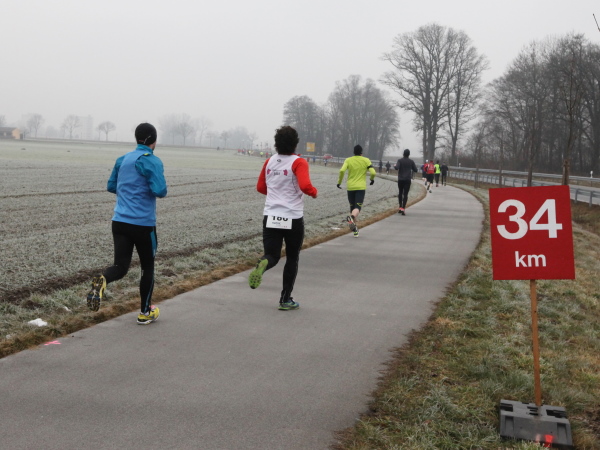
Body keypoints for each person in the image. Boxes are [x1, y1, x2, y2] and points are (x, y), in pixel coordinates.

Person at [86, 123, 167, 325]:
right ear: (153, 140)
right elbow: (160, 190)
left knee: (120, 266)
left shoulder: (122, 159)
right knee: (147, 268)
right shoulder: (151, 161)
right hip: (143, 224)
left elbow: (111, 186)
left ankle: (103, 279)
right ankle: (145, 312)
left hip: (119, 221)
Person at [248, 126, 318, 311]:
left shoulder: (269, 161)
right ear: (295, 143)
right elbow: (305, 185)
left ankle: (264, 263)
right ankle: (285, 299)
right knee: (292, 258)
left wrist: (276, 194)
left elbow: (260, 187)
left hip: (271, 216)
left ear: (276, 143)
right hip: (292, 217)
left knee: (272, 255)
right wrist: (314, 192)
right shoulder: (299, 162)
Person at [336, 145, 377, 238]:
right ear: (361, 152)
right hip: (360, 187)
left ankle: (355, 230)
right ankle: (351, 218)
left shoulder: (348, 160)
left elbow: (342, 171)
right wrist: (371, 179)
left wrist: (339, 182)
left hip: (350, 187)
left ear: (353, 152)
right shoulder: (366, 160)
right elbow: (373, 172)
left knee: (352, 208)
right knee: (357, 207)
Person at [394, 149, 418, 215]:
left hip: (401, 179)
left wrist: (394, 166)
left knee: (400, 193)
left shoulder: (400, 160)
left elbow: (396, 168)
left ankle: (400, 207)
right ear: (409, 154)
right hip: (407, 179)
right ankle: (403, 208)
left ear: (403, 154)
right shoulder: (411, 161)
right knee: (405, 194)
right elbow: (415, 170)